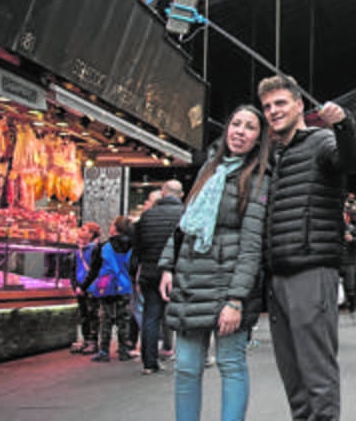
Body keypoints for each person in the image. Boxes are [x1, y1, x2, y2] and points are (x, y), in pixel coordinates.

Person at [258, 75, 356, 420]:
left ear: (300, 105)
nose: (273, 111)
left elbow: (351, 161)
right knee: (295, 381)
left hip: (311, 270)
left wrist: (344, 124)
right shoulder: (275, 155)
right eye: (268, 106)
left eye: (281, 103)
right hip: (279, 277)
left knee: (316, 376)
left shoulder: (320, 141)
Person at [159, 105, 270, 421]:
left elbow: (252, 246)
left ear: (258, 139)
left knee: (231, 363)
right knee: (186, 368)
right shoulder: (209, 168)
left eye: (250, 127)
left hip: (227, 286)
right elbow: (184, 223)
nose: (240, 131)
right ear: (226, 129)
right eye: (236, 123)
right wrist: (168, 265)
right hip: (191, 281)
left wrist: (236, 299)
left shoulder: (259, 177)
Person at [134, 179, 184, 374]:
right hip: (178, 271)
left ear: (163, 193)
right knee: (183, 315)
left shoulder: (146, 217)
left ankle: (149, 362)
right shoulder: (184, 214)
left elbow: (137, 247)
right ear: (180, 195)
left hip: (150, 271)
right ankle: (188, 358)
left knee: (151, 316)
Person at [81, 215, 136, 362]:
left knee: (105, 318)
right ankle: (123, 350)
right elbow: (134, 267)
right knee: (123, 319)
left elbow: (94, 270)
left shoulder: (104, 246)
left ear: (115, 229)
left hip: (106, 287)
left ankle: (104, 351)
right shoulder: (132, 247)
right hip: (124, 286)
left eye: (112, 225)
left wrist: (84, 286)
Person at [69, 222, 101, 355]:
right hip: (80, 287)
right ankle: (85, 339)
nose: (80, 231)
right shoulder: (78, 251)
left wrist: (83, 286)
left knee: (92, 314)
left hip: (91, 287)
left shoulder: (95, 250)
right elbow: (73, 270)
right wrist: (75, 286)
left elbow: (94, 270)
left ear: (91, 234)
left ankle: (93, 341)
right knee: (83, 315)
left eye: (84, 229)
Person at [339, 207, 356, 323]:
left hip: (349, 262)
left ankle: (353, 311)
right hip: (336, 262)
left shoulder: (351, 229)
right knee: (332, 289)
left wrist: (352, 240)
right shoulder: (333, 229)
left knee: (351, 289)